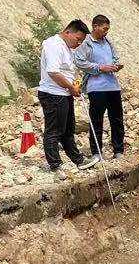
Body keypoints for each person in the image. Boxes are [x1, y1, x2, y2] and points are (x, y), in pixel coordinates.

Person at [35, 19, 93, 173]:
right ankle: (55, 164)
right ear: (68, 32)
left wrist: (73, 85)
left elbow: (66, 70)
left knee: (68, 130)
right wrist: (70, 87)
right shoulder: (54, 45)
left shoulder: (66, 47)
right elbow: (53, 72)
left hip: (63, 93)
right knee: (54, 131)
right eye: (78, 39)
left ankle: (78, 160)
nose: (79, 43)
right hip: (53, 94)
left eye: (81, 41)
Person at [74, 13, 125, 160]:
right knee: (96, 120)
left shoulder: (108, 42)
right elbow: (79, 61)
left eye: (107, 29)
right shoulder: (86, 43)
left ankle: (118, 150)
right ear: (95, 26)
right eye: (104, 29)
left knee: (117, 119)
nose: (106, 32)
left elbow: (115, 58)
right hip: (96, 88)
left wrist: (115, 66)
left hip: (113, 86)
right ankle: (96, 152)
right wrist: (100, 67)